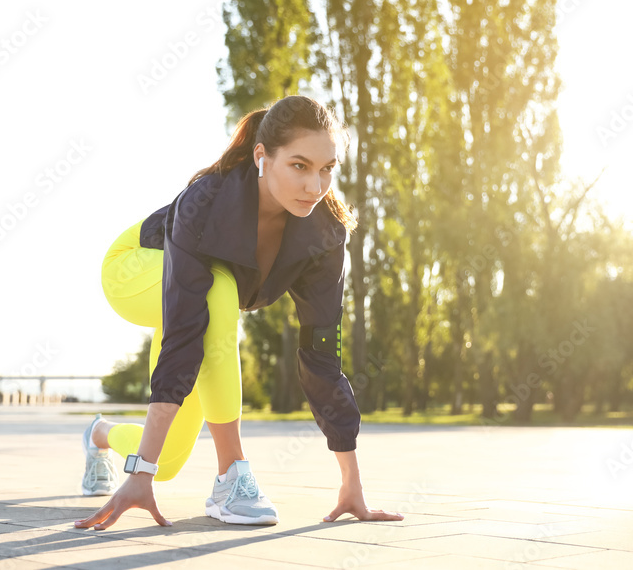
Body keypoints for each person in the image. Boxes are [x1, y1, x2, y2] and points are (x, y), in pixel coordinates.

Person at [74, 95, 403, 530]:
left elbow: (321, 354)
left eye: (327, 169)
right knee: (219, 289)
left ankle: (99, 435)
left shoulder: (325, 233)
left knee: (167, 460)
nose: (315, 186)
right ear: (262, 156)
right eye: (299, 166)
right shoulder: (206, 201)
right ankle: (232, 476)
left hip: (201, 302)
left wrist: (352, 484)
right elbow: (184, 332)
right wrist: (141, 473)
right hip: (133, 268)